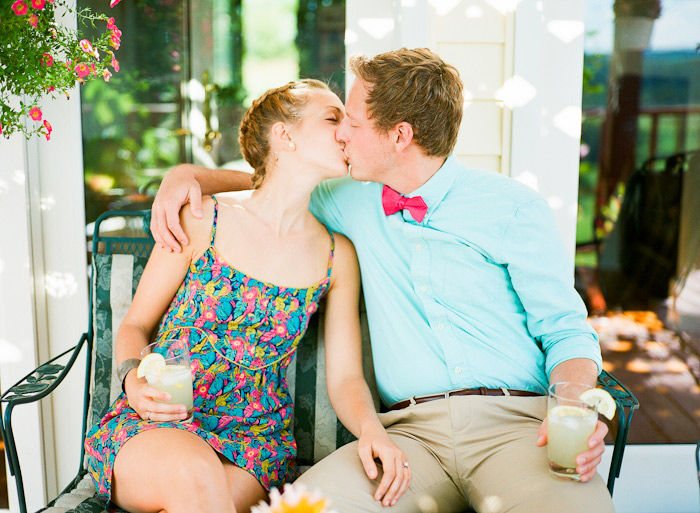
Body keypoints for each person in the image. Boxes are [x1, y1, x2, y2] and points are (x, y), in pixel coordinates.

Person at [150, 49, 615, 513]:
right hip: (410, 438)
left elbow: (566, 329)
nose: (341, 133)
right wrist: (187, 175)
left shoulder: (513, 208)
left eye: (350, 120)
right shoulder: (345, 199)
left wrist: (572, 405)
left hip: (518, 427)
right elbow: (275, 181)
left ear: (399, 136)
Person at [83, 79, 410, 513]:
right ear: (285, 135)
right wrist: (131, 381)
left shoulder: (337, 257)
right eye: (333, 119)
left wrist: (373, 430)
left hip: (255, 443)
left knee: (199, 496)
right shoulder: (202, 219)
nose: (345, 132)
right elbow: (135, 325)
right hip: (159, 420)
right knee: (196, 479)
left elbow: (346, 378)